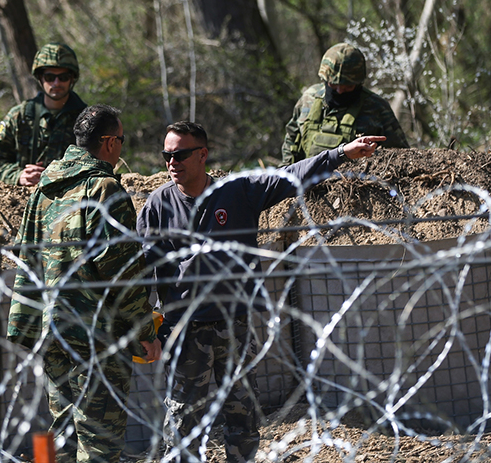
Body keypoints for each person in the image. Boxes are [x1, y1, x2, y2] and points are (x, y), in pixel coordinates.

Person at [136, 121, 382, 463]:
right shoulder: (159, 204)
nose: (171, 163)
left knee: (243, 417)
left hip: (234, 324)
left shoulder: (238, 192)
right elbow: (140, 271)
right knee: (182, 424)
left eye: (179, 154)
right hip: (183, 331)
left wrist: (341, 154)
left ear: (203, 154)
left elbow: (291, 175)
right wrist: (144, 329)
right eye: (167, 155)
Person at [6, 104, 161, 463]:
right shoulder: (105, 189)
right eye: (121, 140)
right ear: (107, 143)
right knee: (100, 444)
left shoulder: (44, 191)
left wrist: (26, 323)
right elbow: (120, 270)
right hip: (97, 339)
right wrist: (143, 329)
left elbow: (26, 259)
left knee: (62, 438)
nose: (121, 149)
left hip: (53, 333)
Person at [281, 42, 410, 165]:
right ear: (324, 79)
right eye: (333, 84)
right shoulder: (309, 99)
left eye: (347, 86)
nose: (339, 91)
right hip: (306, 184)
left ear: (358, 82)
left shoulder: (377, 108)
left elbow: (400, 156)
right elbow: (292, 139)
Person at [0, 42, 88, 186]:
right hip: (23, 200)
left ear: (72, 78)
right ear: (40, 78)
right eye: (49, 77)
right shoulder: (20, 116)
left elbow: (101, 164)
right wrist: (18, 176)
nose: (56, 83)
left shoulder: (88, 120)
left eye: (64, 77)